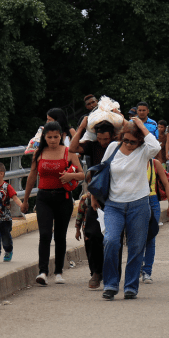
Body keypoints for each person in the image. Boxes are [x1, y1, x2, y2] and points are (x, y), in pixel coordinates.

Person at [93, 118, 161, 300]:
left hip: (139, 204)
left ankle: (131, 286)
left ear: (139, 141)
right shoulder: (113, 148)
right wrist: (93, 196)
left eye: (133, 141)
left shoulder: (144, 150)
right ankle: (111, 284)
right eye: (126, 140)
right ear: (121, 137)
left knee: (136, 247)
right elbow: (101, 171)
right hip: (114, 205)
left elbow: (156, 147)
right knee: (111, 241)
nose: (129, 144)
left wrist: (141, 126)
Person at [21, 121, 84, 285]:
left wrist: (71, 176)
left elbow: (83, 174)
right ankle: (42, 272)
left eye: (56, 136)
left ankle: (58, 272)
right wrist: (25, 200)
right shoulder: (39, 153)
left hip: (63, 198)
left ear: (62, 136)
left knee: (60, 235)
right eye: (49, 137)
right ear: (45, 137)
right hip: (44, 198)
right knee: (45, 234)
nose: (53, 140)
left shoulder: (69, 153)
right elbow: (32, 177)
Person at [70, 117, 115, 289]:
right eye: (101, 139)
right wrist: (81, 126)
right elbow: (73, 148)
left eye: (107, 139)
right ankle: (96, 272)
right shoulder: (93, 146)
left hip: (117, 195)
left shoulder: (119, 146)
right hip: (96, 195)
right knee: (91, 233)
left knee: (112, 237)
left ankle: (111, 273)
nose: (104, 142)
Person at [141, 158, 169, 284]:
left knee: (151, 237)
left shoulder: (153, 163)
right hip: (135, 202)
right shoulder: (130, 160)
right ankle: (138, 264)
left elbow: (166, 184)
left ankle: (147, 271)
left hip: (152, 201)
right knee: (135, 237)